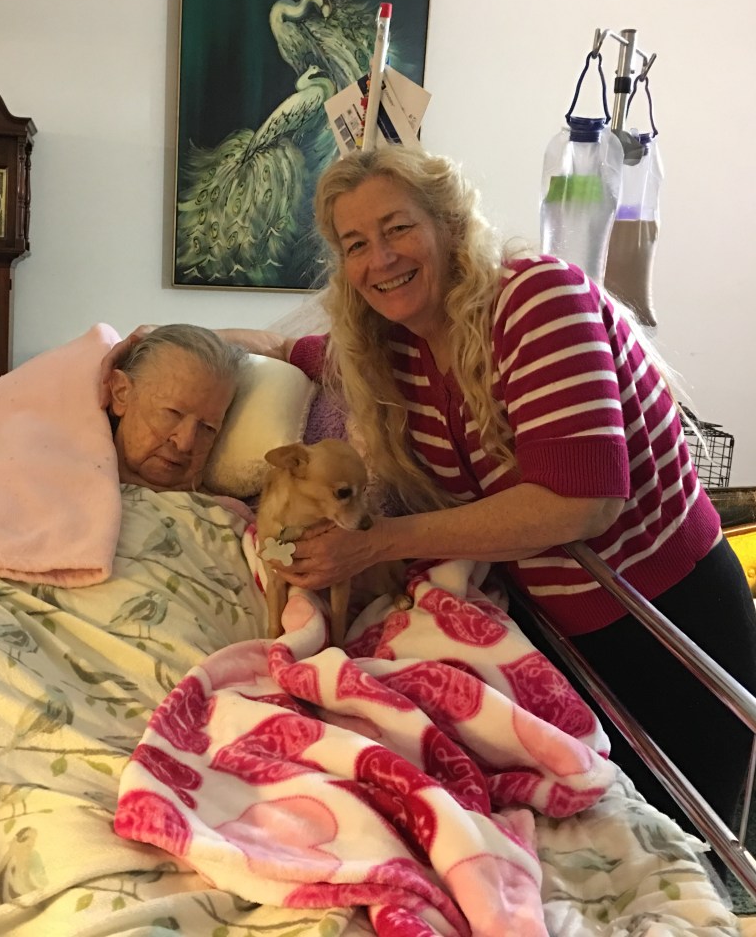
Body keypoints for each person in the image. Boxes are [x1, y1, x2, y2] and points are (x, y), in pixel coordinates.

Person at [106, 146, 756, 842]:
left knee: (701, 842)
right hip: (551, 630)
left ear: (447, 222)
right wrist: (140, 351)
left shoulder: (537, 301)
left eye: (397, 228)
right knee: (604, 825)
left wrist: (375, 545)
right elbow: (279, 352)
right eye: (355, 244)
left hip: (665, 615)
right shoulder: (392, 349)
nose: (379, 259)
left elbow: (580, 502)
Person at [106, 323, 248, 493]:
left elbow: (284, 347)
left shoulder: (226, 515)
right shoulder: (70, 473)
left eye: (208, 428)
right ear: (121, 393)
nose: (185, 443)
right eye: (173, 413)